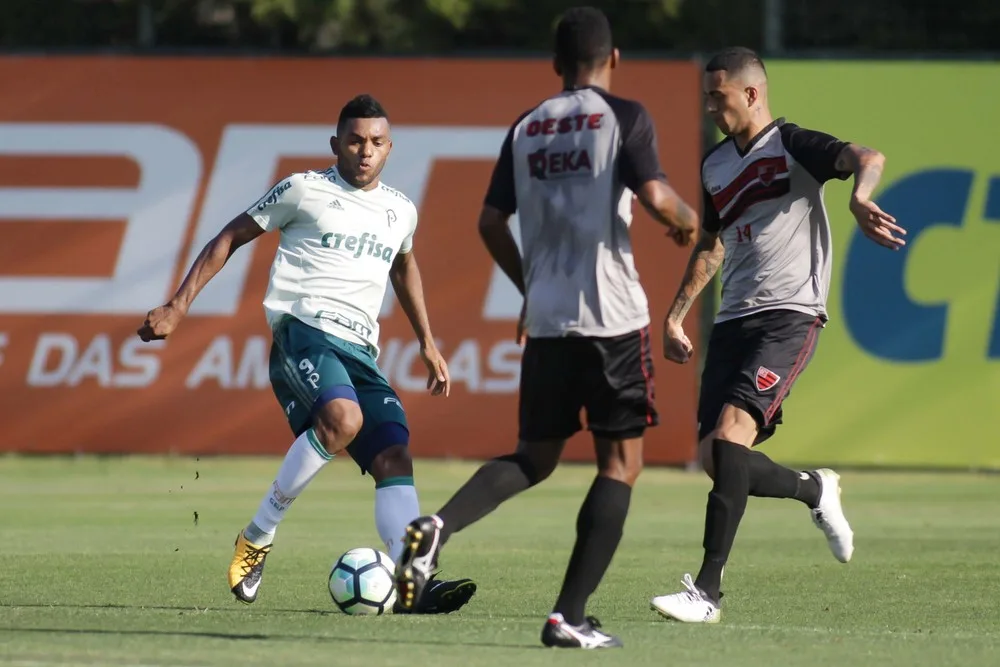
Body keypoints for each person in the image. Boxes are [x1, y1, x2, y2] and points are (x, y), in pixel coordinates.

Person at [391, 6, 699, 649]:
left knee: (534, 456)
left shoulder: (527, 126)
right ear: (614, 60)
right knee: (621, 464)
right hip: (612, 319)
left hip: (550, 320)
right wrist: (689, 222)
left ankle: (438, 529)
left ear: (556, 65)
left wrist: (531, 289)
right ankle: (569, 616)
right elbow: (658, 199)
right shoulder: (624, 116)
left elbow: (488, 222)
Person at [136, 94, 477, 615]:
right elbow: (231, 234)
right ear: (336, 143)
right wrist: (178, 306)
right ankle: (257, 536)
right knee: (342, 420)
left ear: (390, 148)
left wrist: (428, 342)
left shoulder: (400, 210)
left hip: (361, 348)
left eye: (377, 142)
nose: (366, 151)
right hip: (304, 331)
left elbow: (403, 267)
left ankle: (411, 581)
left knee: (394, 457)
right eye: (356, 140)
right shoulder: (304, 189)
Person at [650, 47, 906, 624]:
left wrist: (860, 196)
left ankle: (708, 593)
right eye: (707, 95)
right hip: (732, 319)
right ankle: (814, 489)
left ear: (751, 93)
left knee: (730, 432)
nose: (710, 104)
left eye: (719, 95)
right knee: (716, 456)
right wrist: (675, 314)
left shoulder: (791, 144)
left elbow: (867, 155)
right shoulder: (716, 165)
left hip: (790, 313)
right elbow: (711, 244)